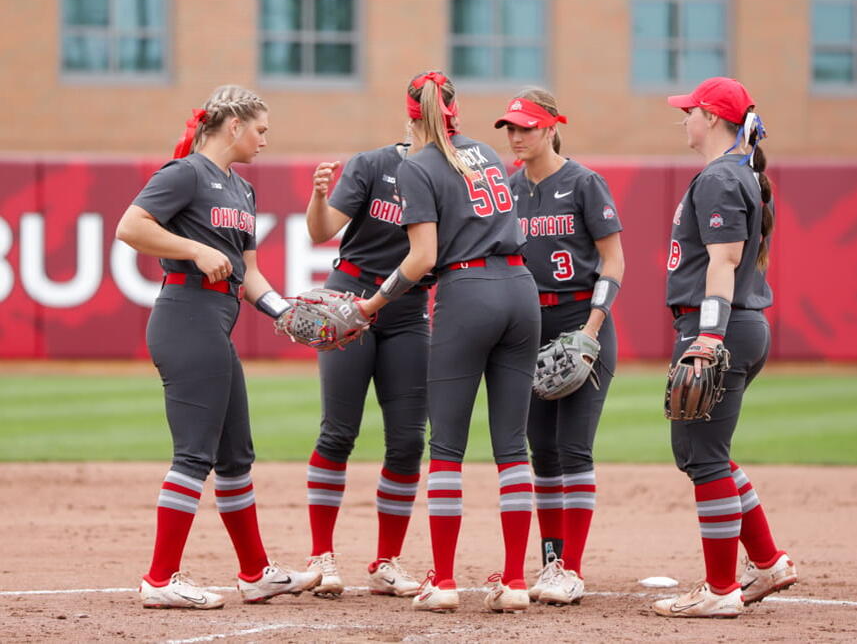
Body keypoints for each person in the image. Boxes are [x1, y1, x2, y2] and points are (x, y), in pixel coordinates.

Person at [116, 85, 319, 609]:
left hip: (216, 321)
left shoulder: (242, 190)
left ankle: (255, 574)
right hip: (186, 316)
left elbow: (249, 273)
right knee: (194, 455)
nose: (264, 141)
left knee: (234, 457)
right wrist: (194, 249)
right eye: (260, 129)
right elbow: (131, 227)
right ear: (233, 127)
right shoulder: (184, 172)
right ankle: (160, 580)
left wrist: (285, 312)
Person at [354, 71, 541, 614]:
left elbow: (421, 259)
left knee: (448, 450)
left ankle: (443, 581)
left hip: (468, 293)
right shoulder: (483, 150)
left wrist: (369, 305)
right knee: (512, 447)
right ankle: (513, 581)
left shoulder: (416, 166)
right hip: (520, 289)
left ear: (410, 114)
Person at [653, 77, 798, 618]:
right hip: (738, 324)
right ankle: (767, 562)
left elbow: (725, 260)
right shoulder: (736, 173)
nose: (684, 118)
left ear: (712, 118)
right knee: (701, 452)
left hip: (718, 325)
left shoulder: (719, 177)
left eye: (689, 110)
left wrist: (707, 337)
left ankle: (719, 590)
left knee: (703, 456)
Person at [495, 89, 625, 606]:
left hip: (580, 322)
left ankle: (572, 569)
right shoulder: (507, 189)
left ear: (552, 128)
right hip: (529, 327)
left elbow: (613, 261)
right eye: (510, 127)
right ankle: (552, 560)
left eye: (526, 127)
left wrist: (592, 328)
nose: (516, 136)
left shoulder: (584, 183)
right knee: (542, 452)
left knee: (573, 448)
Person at [298, 140, 430, 598]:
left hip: (409, 309)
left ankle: (386, 562)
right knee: (338, 432)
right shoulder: (373, 164)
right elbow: (321, 231)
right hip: (350, 297)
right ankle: (321, 556)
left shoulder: (449, 172)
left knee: (410, 440)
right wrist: (319, 196)